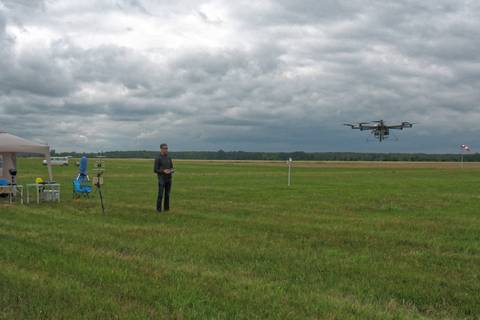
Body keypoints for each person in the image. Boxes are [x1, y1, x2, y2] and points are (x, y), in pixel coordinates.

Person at [154, 143, 174, 213]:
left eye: (167, 148)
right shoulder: (158, 158)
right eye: (165, 148)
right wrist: (163, 171)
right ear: (161, 149)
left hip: (169, 178)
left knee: (167, 195)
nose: (166, 150)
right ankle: (158, 209)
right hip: (161, 179)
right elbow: (155, 170)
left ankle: (166, 209)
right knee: (160, 194)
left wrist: (171, 170)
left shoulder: (169, 158)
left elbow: (172, 167)